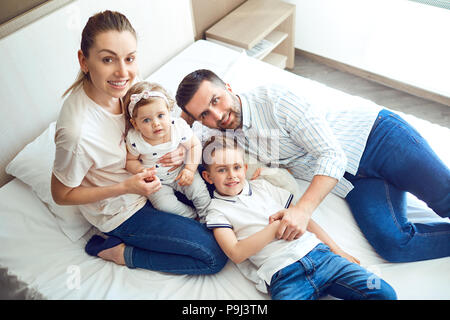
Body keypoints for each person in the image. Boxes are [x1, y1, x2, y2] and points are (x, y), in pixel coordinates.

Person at [175, 68, 450, 263]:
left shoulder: (274, 100)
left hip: (377, 139)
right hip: (352, 182)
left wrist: (302, 210)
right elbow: (183, 138)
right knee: (394, 244)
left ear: (229, 88)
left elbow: (331, 154)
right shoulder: (220, 138)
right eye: (205, 115)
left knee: (446, 199)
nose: (218, 115)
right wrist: (180, 126)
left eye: (216, 100)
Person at [50, 12, 227, 274]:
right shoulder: (77, 132)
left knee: (225, 180)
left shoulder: (128, 86)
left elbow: (162, 118)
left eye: (130, 58)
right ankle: (119, 252)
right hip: (124, 209)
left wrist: (179, 151)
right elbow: (61, 195)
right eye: (108, 59)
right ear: (84, 61)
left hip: (160, 175)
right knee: (214, 255)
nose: (123, 72)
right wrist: (125, 186)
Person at [201, 136, 396, 300]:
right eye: (221, 169)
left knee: (385, 294)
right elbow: (235, 252)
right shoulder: (217, 211)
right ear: (208, 177)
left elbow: (305, 220)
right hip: (285, 275)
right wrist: (277, 226)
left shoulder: (264, 187)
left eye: (236, 167)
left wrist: (338, 251)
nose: (231, 175)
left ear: (244, 168)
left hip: (321, 256)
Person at [123, 81, 211, 221]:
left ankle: (209, 216)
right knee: (164, 205)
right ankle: (192, 216)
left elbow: (195, 146)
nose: (156, 123)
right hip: (157, 181)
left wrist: (189, 169)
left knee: (199, 191)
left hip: (181, 171)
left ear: (169, 113)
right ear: (135, 124)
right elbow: (130, 160)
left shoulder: (178, 127)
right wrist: (142, 171)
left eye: (161, 115)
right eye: (146, 120)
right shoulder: (135, 139)